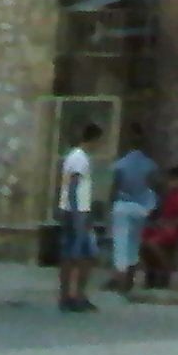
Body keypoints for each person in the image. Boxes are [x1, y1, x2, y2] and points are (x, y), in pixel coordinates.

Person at [56, 122, 103, 313]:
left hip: (72, 211)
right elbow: (74, 186)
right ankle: (78, 295)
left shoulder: (74, 156)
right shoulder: (80, 158)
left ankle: (66, 295)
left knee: (69, 254)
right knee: (86, 255)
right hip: (77, 213)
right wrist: (77, 215)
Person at [106, 135, 159, 294]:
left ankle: (120, 283)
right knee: (134, 244)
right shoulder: (150, 164)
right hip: (141, 208)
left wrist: (109, 205)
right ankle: (130, 281)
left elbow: (114, 188)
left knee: (120, 245)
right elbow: (154, 186)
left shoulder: (121, 164)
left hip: (122, 206)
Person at [140, 167, 178, 288]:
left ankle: (166, 270)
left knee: (153, 243)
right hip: (166, 226)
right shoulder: (170, 196)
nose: (171, 183)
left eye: (174, 180)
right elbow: (165, 215)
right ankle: (151, 273)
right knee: (143, 240)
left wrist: (172, 223)